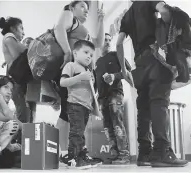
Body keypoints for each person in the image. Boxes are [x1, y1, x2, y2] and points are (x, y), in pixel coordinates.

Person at [116, 1, 188, 167]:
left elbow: (119, 43)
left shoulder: (127, 15)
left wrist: (124, 69)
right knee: (159, 102)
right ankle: (162, 151)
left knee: (144, 108)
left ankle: (144, 153)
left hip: (139, 63)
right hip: (157, 57)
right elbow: (165, 12)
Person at [53, 0, 104, 163]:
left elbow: (98, 44)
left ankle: (79, 151)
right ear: (72, 7)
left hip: (84, 75)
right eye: (82, 6)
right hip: (72, 71)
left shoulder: (85, 31)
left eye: (87, 8)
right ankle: (64, 152)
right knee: (66, 113)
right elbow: (58, 28)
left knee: (79, 117)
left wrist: (101, 20)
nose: (86, 10)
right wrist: (68, 52)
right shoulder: (69, 15)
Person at [60, 40, 101, 169]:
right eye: (86, 52)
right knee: (76, 132)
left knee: (81, 132)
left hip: (86, 106)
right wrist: (80, 77)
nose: (89, 56)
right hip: (75, 104)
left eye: (91, 54)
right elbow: (63, 82)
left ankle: (82, 156)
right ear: (75, 53)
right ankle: (73, 158)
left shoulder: (88, 70)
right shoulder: (71, 65)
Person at [95, 33, 131, 164]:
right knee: (108, 127)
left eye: (110, 40)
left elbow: (129, 71)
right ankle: (114, 154)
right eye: (105, 39)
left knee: (117, 124)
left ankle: (124, 154)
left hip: (115, 94)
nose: (108, 42)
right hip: (102, 98)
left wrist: (114, 76)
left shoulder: (116, 55)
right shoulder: (97, 62)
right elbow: (95, 83)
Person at [0, 16, 32, 123]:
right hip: (16, 80)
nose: (23, 33)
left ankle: (24, 136)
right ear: (13, 29)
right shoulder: (9, 36)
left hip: (19, 80)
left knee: (26, 112)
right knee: (23, 113)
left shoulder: (11, 39)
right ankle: (20, 138)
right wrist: (30, 49)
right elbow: (17, 57)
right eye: (21, 28)